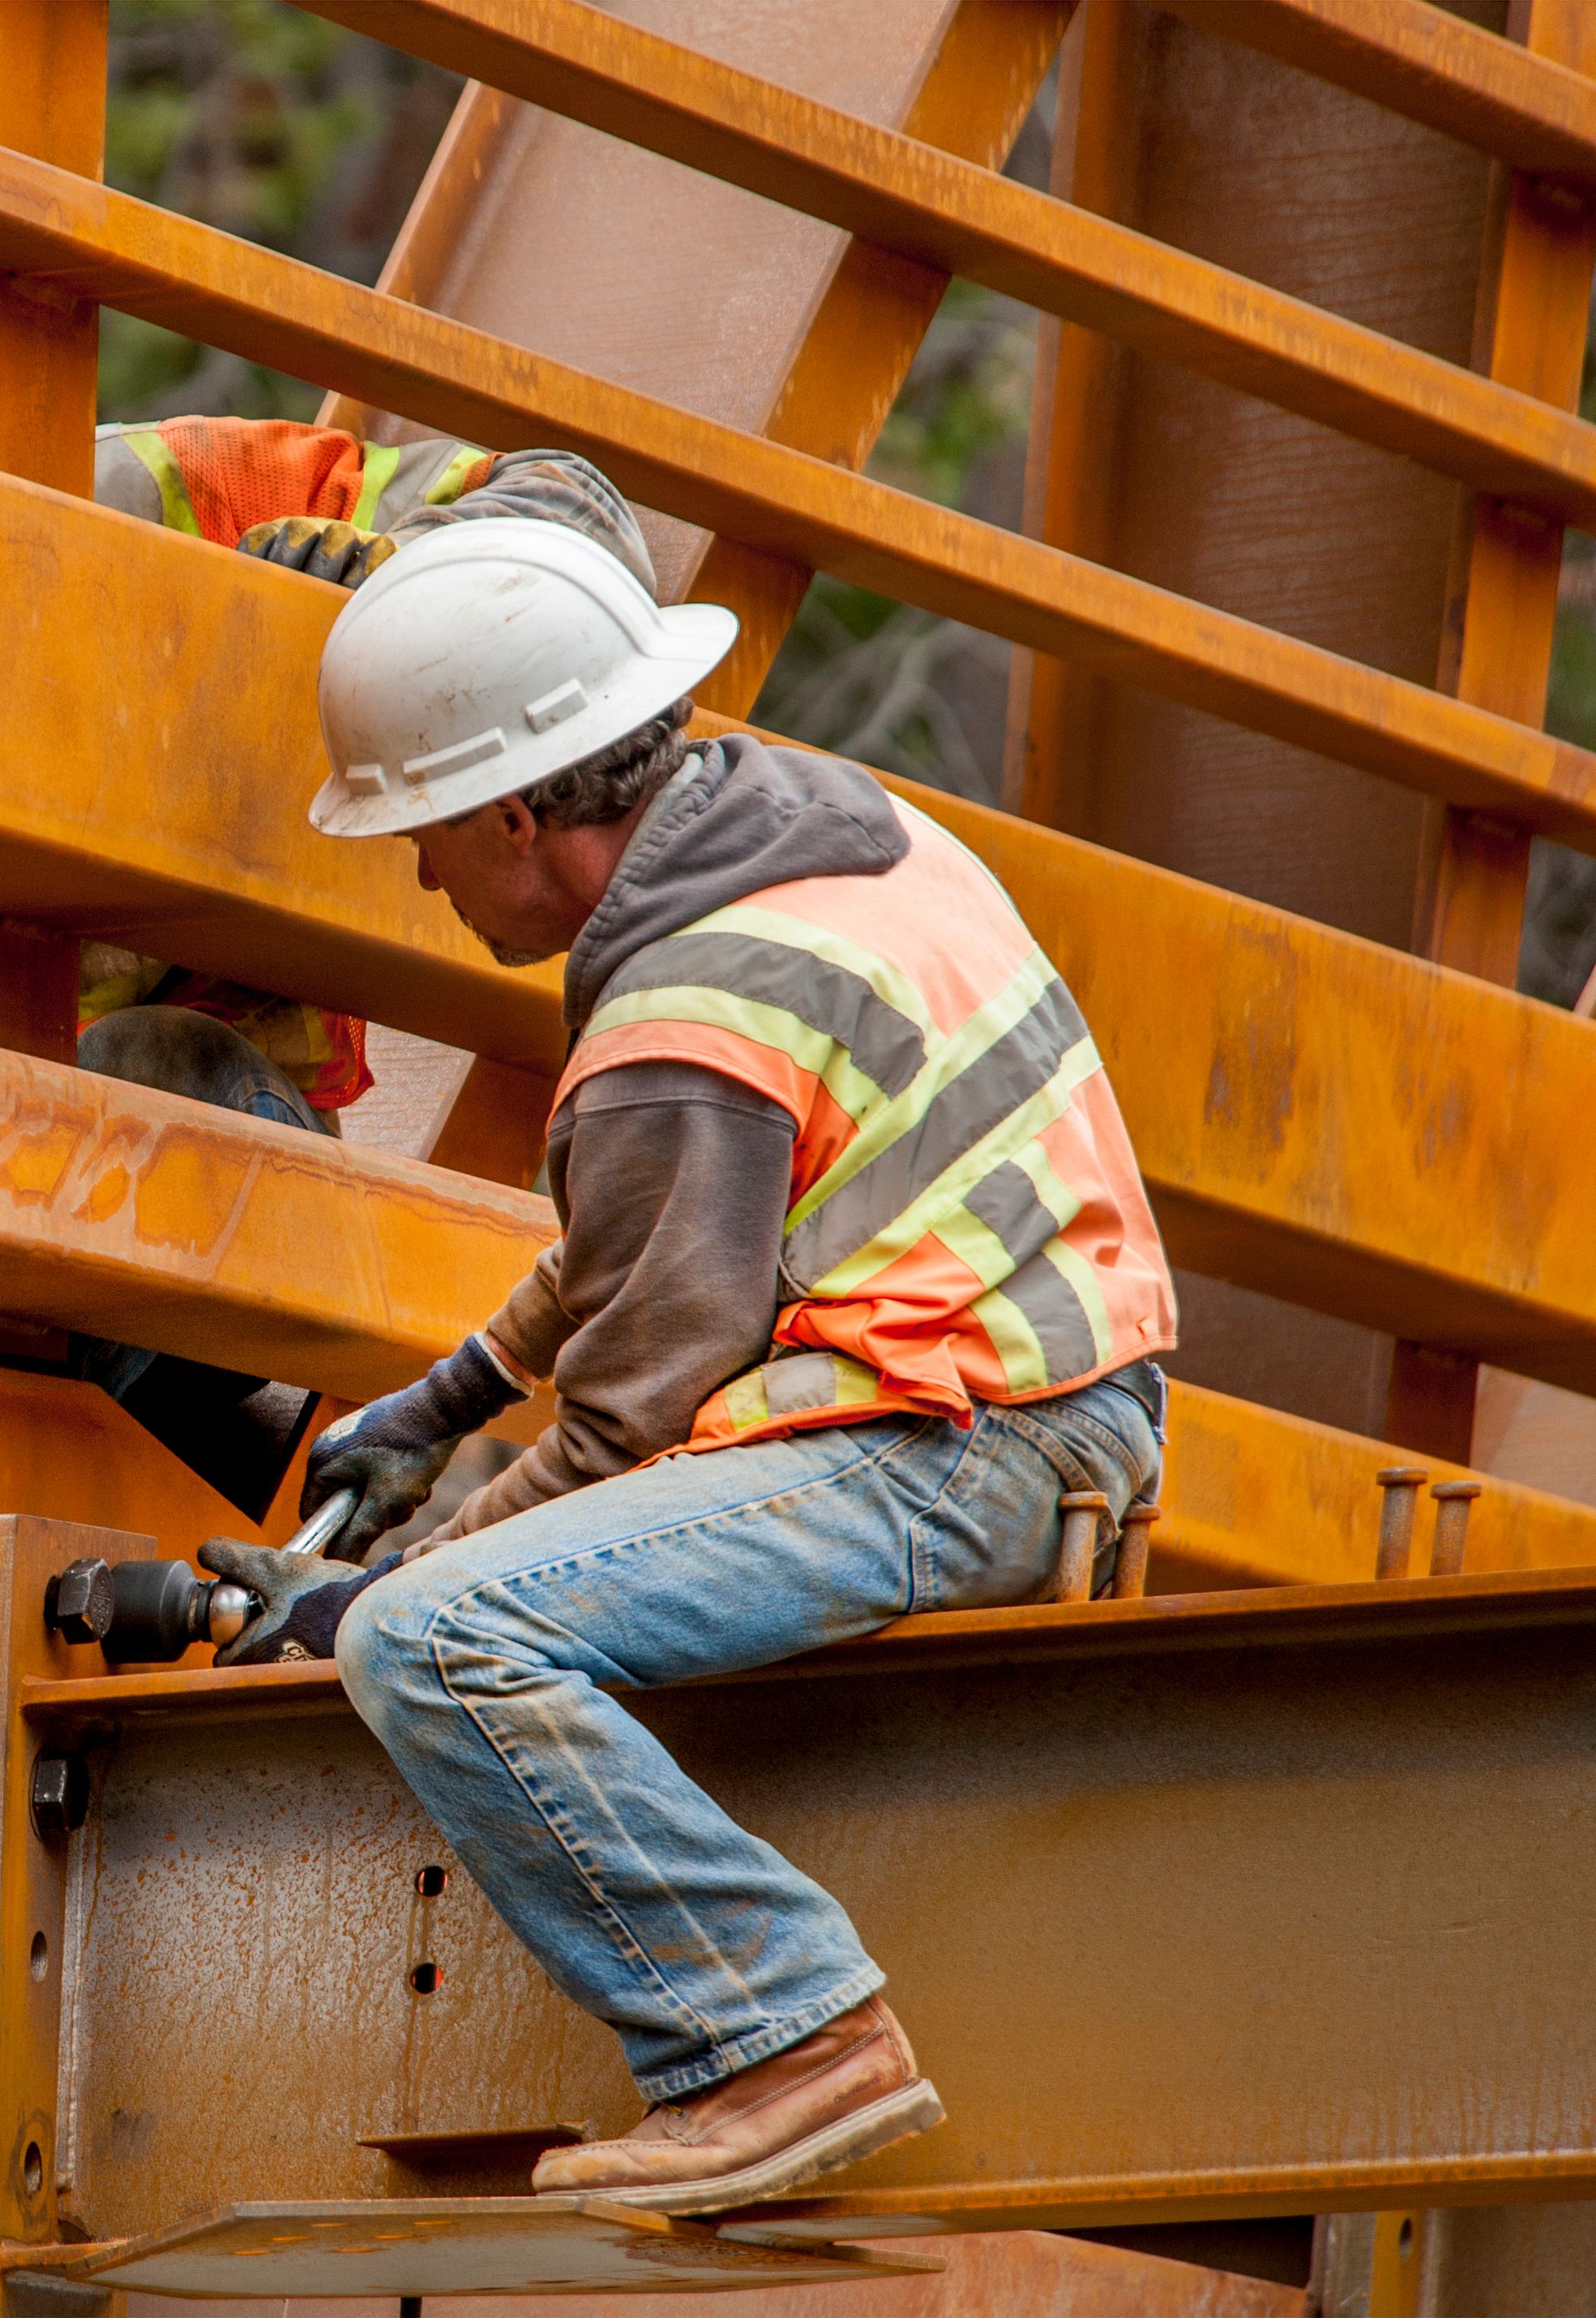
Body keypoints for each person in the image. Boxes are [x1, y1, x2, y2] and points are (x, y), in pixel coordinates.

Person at [183, 496, 1180, 2214]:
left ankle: (782, 2037)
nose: (416, 870)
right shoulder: (819, 833)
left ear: (513, 806)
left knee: (440, 1643)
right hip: (1031, 1397)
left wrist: (368, 1587)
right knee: (451, 1594)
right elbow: (661, 1225)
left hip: (958, 1441)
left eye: (422, 828)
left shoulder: (675, 1023)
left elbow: (628, 1427)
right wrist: (443, 1405)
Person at [65, 416, 661, 1518]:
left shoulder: (185, 496)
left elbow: (579, 517)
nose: (431, 879)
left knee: (156, 1069)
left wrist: (417, 583)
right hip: (4, 1215)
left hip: (202, 1157)